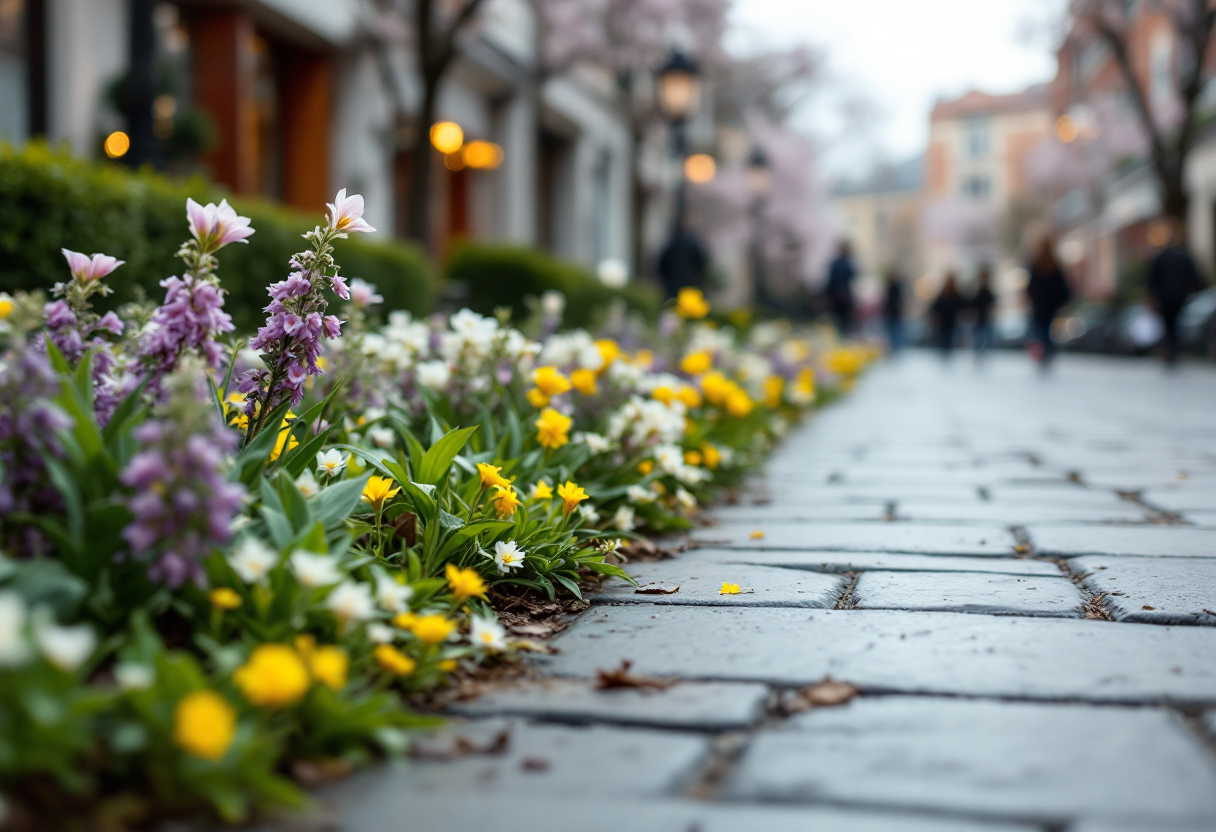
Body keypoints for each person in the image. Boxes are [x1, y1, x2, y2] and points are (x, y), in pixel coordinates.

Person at [1147, 220, 1203, 365]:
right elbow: (1195, 277)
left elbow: (1152, 279)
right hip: (1180, 296)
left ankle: (1170, 350)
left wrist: (1152, 296)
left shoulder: (1161, 257)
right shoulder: (1184, 257)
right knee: (1176, 323)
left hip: (1165, 298)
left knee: (1168, 324)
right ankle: (1175, 350)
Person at [1025, 238, 1071, 369]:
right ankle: (1047, 352)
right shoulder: (1054, 264)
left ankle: (1042, 354)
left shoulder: (1036, 264)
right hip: (1051, 306)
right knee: (1047, 331)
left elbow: (1030, 287)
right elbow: (1063, 287)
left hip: (1040, 306)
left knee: (1040, 331)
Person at [657, 224, 708, 300]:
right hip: (690, 284)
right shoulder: (693, 245)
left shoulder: (671, 245)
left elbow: (661, 265)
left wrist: (666, 279)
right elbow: (702, 263)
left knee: (672, 306)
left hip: (672, 284)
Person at [930, 272, 966, 359]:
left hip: (952, 321)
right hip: (943, 322)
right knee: (943, 339)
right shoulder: (943, 294)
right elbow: (935, 307)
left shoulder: (956, 294)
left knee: (949, 339)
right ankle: (943, 355)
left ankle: (947, 355)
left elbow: (963, 306)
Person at [826, 240, 857, 336]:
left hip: (836, 297)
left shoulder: (835, 264)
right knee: (844, 324)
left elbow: (830, 282)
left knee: (838, 323)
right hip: (843, 297)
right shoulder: (847, 264)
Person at [969, 264, 997, 361]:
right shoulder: (977, 291)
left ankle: (984, 354)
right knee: (978, 338)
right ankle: (978, 354)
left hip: (986, 318)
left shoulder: (987, 291)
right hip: (978, 318)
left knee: (986, 338)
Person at [883, 268, 906, 353]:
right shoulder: (890, 287)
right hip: (891, 313)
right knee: (893, 331)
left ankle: (896, 348)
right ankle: (895, 348)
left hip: (894, 313)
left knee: (896, 331)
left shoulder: (895, 287)